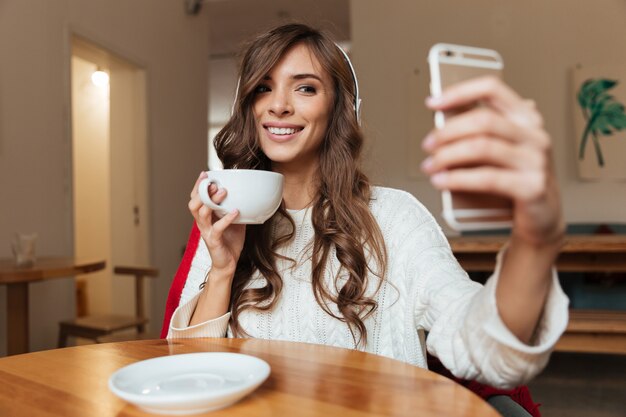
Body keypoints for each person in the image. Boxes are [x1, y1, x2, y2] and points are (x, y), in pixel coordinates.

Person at [165, 23, 568, 398]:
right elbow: (187, 374)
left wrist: (535, 241)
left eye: (305, 88)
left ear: (340, 108)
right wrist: (223, 269)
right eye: (263, 89)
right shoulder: (230, 219)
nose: (279, 106)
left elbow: (490, 351)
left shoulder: (396, 217)